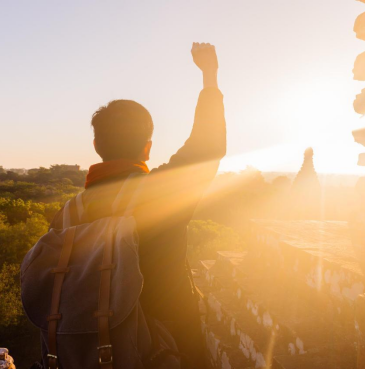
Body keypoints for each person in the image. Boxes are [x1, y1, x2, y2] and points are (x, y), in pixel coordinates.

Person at [50, 42, 226, 368]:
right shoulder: (157, 193)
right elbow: (208, 145)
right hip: (165, 345)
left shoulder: (66, 214)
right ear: (147, 149)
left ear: (96, 145)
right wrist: (209, 76)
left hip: (87, 352)